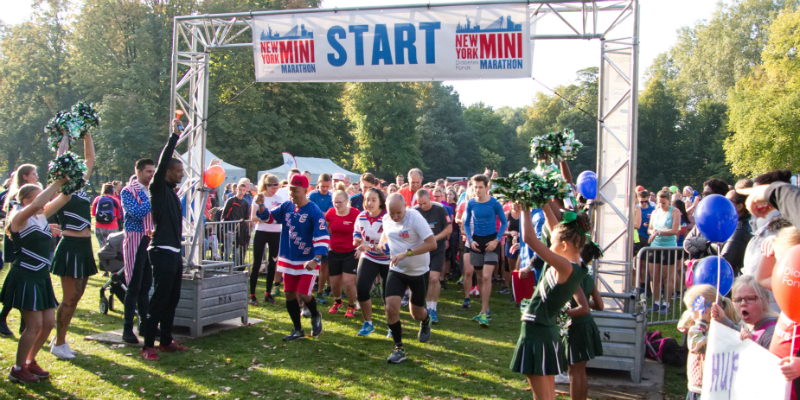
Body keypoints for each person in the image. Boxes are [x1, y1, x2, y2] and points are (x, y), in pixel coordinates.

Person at [510, 205, 591, 400]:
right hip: (547, 330)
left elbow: (529, 239)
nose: (549, 245)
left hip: (537, 330)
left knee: (542, 397)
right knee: (548, 395)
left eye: (551, 243)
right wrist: (544, 202)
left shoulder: (564, 266)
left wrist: (525, 209)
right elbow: (556, 228)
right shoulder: (575, 263)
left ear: (564, 245)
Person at [2, 178, 69, 383]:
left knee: (48, 323)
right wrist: (57, 182)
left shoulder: (41, 217)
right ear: (25, 200)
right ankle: (17, 368)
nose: (44, 201)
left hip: (41, 275)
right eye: (38, 196)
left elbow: (65, 197)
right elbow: (38, 203)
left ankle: (30, 362)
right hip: (25, 275)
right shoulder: (19, 218)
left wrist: (69, 178)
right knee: (33, 325)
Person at [255, 174, 327, 341]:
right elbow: (268, 218)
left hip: (308, 260)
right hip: (289, 258)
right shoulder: (287, 206)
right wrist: (260, 206)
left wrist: (316, 259)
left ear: (305, 190)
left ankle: (315, 315)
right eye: (290, 190)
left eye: (295, 191)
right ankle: (297, 329)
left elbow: (322, 236)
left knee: (304, 293)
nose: (292, 194)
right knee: (289, 294)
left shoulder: (314, 211)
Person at [141, 119, 188, 361]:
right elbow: (161, 163)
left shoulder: (172, 194)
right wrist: (173, 138)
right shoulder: (157, 188)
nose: (182, 174)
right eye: (179, 170)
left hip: (174, 251)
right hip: (160, 250)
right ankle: (147, 344)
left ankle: (166, 340)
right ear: (167, 172)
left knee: (173, 297)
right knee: (159, 298)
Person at [49, 130, 96, 360]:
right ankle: (59, 343)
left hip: (85, 246)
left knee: (76, 297)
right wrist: (65, 136)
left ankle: (60, 337)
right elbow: (62, 157)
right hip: (69, 245)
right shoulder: (61, 188)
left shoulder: (81, 187)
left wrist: (86, 133)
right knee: (69, 298)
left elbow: (90, 159)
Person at [376, 193, 436, 363]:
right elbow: (386, 234)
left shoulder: (414, 218)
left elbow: (432, 244)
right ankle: (398, 348)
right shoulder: (386, 219)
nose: (395, 217)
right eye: (391, 213)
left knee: (416, 313)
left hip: (419, 271)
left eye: (398, 213)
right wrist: (381, 243)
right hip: (397, 270)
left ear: (405, 207)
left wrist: (406, 253)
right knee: (391, 308)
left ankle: (425, 320)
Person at [677, 284, 739, 400]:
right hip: (695, 387)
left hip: (707, 390)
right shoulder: (698, 325)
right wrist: (696, 317)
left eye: (691, 310)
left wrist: (700, 323)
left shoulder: (715, 330)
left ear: (705, 310)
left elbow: (696, 346)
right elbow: (681, 325)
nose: (689, 314)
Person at [120, 159, 156, 344]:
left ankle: (145, 325)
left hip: (150, 238)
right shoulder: (128, 191)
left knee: (146, 284)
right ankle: (128, 328)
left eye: (153, 171)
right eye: (149, 171)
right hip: (135, 238)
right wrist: (151, 198)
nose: (152, 175)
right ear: (139, 172)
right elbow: (137, 212)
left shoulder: (151, 191)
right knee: (134, 285)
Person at [463, 174, 507, 326]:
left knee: (487, 277)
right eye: (475, 187)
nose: (478, 190)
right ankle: (485, 310)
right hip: (476, 242)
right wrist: (470, 239)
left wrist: (496, 240)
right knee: (480, 278)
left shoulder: (494, 203)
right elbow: (466, 224)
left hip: (491, 242)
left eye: (481, 187)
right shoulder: (470, 203)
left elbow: (504, 222)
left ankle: (483, 313)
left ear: (487, 187)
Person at [0, 165, 39, 337]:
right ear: (25, 177)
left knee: (22, 281)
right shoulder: (19, 195)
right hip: (20, 241)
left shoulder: (28, 192)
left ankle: (23, 324)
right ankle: (6, 319)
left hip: (29, 239)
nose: (36, 177)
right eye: (33, 174)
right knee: (19, 280)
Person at [352, 188, 390, 336]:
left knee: (388, 295)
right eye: (367, 199)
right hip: (368, 257)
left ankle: (391, 326)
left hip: (388, 260)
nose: (370, 203)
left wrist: (371, 246)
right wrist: (356, 240)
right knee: (361, 290)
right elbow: (356, 233)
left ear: (381, 201)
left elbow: (389, 244)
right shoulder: (361, 216)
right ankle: (368, 323)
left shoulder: (387, 217)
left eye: (374, 199)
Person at [414, 189, 452, 324]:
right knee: (423, 279)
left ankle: (432, 309)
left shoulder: (440, 209)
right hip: (422, 248)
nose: (423, 206)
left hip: (437, 248)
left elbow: (449, 229)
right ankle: (423, 306)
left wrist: (434, 239)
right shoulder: (415, 211)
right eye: (420, 204)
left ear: (430, 199)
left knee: (434, 278)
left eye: (425, 203)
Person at [712, 274, 777, 350]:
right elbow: (739, 332)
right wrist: (722, 319)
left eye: (750, 299)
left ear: (766, 302)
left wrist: (751, 345)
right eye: (738, 300)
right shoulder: (749, 326)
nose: (743, 303)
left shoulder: (771, 334)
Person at [249, 173, 285, 305]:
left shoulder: (280, 198)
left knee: (272, 263)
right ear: (266, 186)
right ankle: (252, 295)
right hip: (261, 232)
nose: (275, 190)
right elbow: (253, 218)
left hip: (275, 233)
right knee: (257, 263)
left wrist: (270, 218)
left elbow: (280, 216)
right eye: (272, 188)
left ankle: (268, 293)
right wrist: (265, 218)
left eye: (277, 187)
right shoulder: (259, 198)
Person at [325, 186, 361, 317]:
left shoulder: (355, 213)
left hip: (350, 252)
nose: (337, 205)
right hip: (334, 251)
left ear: (347, 201)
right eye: (335, 202)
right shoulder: (330, 213)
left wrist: (360, 248)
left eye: (340, 202)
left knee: (348, 282)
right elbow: (327, 230)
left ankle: (351, 305)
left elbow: (362, 231)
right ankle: (338, 301)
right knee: (335, 284)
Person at [647, 190, 681, 315]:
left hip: (669, 247)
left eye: (664, 203)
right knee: (654, 277)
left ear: (669, 201)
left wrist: (659, 232)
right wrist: (653, 232)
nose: (661, 205)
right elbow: (650, 229)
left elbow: (674, 230)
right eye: (659, 202)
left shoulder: (675, 211)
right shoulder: (655, 211)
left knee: (667, 278)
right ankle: (656, 302)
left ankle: (666, 304)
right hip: (655, 246)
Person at [308, 173, 334, 303]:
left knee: (324, 264)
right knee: (311, 262)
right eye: (323, 186)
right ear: (318, 183)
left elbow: (328, 215)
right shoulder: (312, 195)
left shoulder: (331, 196)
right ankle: (307, 289)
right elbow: (310, 212)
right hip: (312, 234)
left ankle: (319, 292)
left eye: (327, 186)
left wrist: (320, 214)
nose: (325, 189)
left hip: (326, 234)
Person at [721, 190, 753, 275]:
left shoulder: (740, 229)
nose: (724, 205)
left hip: (737, 280)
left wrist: (696, 262)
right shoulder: (734, 225)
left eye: (729, 201)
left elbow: (726, 259)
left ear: (740, 206)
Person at [222, 180, 252, 269]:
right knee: (228, 250)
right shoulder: (231, 200)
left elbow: (246, 217)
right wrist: (224, 230)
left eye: (244, 190)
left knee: (237, 251)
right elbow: (224, 215)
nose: (242, 192)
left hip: (239, 230)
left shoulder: (245, 203)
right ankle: (224, 267)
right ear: (236, 189)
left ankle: (234, 268)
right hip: (230, 228)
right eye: (240, 189)